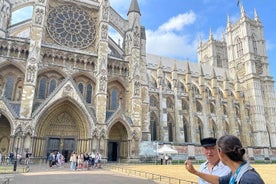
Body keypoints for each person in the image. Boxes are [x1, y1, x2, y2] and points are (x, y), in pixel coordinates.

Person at [185, 135, 265, 184]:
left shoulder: (248, 178)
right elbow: (219, 181)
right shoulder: (236, 174)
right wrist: (194, 172)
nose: (209, 152)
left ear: (221, 152)